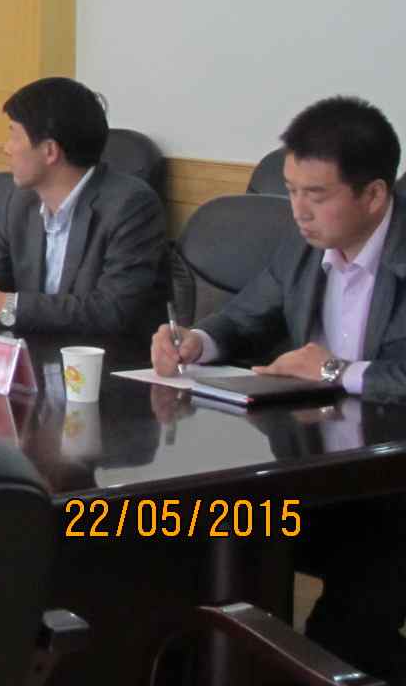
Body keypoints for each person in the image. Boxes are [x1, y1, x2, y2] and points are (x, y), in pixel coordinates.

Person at [151, 96, 406, 678]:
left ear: (373, 195)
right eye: (291, 190)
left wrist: (334, 370)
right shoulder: (302, 244)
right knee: (191, 544)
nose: (298, 211)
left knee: (343, 635)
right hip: (317, 471)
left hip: (393, 491)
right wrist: (197, 340)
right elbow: (246, 316)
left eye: (315, 194)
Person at [0, 76, 167, 336]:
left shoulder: (130, 206)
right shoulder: (22, 202)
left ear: (50, 151)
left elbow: (110, 310)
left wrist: (3, 306)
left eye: (14, 136)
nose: (6, 148)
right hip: (36, 350)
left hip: (108, 355)